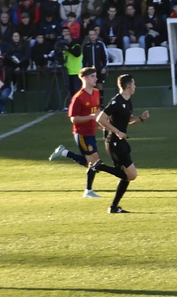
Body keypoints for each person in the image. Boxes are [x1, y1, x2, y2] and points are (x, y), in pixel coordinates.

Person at [93, 73, 149, 214]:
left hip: (121, 142)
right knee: (132, 175)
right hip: (114, 143)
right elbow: (101, 118)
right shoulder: (116, 102)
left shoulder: (128, 101)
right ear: (128, 86)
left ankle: (113, 207)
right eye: (134, 84)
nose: (135, 87)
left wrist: (141, 118)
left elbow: (128, 119)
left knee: (125, 177)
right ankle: (101, 167)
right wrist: (117, 132)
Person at [50, 66, 105, 198]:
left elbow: (96, 112)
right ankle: (88, 191)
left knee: (92, 163)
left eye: (95, 76)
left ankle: (64, 152)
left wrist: (100, 123)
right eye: (93, 76)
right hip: (82, 134)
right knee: (95, 163)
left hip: (91, 132)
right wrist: (91, 118)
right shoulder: (78, 97)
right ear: (84, 78)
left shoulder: (96, 93)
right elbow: (73, 118)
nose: (96, 78)